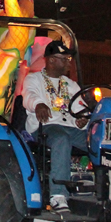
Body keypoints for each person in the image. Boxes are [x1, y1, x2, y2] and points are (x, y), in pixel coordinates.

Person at [23, 40, 84, 212]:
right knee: (61, 139)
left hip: (71, 127)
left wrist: (82, 118)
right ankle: (58, 196)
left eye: (68, 59)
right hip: (46, 126)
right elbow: (29, 95)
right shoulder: (33, 79)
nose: (68, 62)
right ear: (51, 60)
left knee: (96, 140)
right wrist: (38, 104)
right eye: (64, 59)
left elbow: (80, 108)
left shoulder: (71, 85)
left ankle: (104, 188)